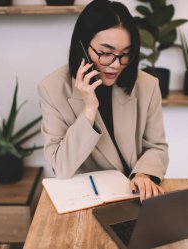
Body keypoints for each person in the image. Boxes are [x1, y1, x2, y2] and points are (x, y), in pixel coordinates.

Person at [38, 0, 169, 202]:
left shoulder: (147, 85)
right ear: (82, 45)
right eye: (106, 53)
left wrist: (143, 174)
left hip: (136, 196)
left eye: (125, 54)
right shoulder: (53, 89)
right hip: (88, 201)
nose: (116, 65)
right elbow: (61, 167)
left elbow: (156, 146)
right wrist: (89, 108)